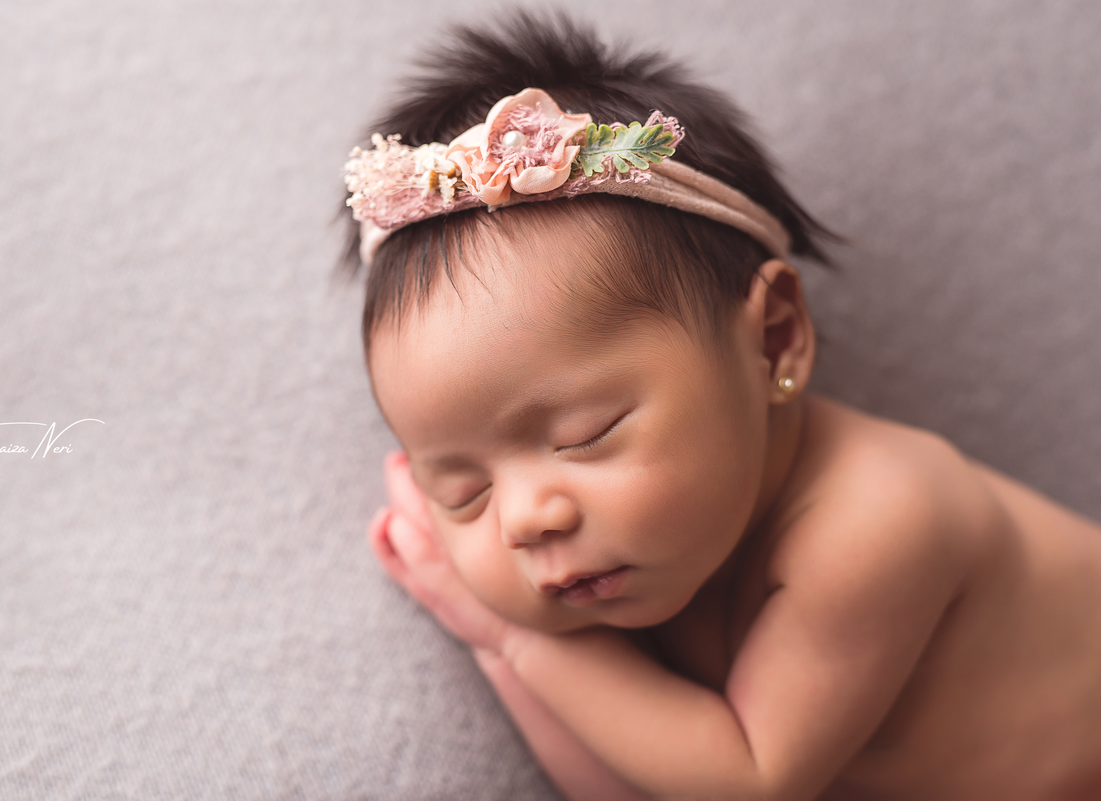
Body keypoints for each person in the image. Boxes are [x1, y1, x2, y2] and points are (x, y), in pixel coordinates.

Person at [343, 13, 1101, 801]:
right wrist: (504, 651)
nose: (524, 520)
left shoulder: (881, 517)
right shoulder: (658, 550)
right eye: (461, 491)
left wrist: (512, 635)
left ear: (773, 341)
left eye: (585, 433)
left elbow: (745, 780)